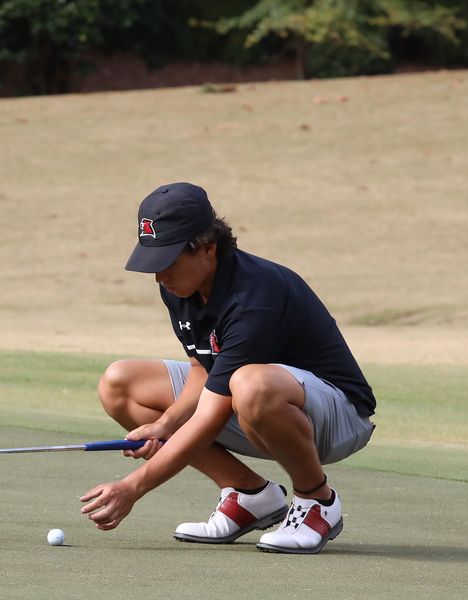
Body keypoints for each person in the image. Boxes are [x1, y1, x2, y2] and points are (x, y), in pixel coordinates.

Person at [79, 182, 376, 554]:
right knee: (120, 383)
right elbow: (204, 369)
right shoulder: (181, 287)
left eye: (168, 262)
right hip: (255, 404)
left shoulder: (255, 296)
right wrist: (166, 423)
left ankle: (318, 501)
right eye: (154, 263)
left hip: (337, 417)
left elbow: (211, 414)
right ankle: (250, 496)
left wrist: (133, 486)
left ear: (208, 247)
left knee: (250, 384)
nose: (159, 276)